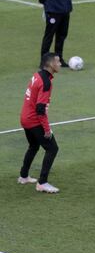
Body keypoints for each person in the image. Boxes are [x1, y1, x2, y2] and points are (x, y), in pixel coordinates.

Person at [18, 53, 62, 194]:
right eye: (58, 61)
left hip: (25, 118)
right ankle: (42, 183)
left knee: (33, 146)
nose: (60, 64)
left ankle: (23, 176)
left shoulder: (37, 75)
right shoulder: (46, 82)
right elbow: (40, 110)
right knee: (52, 148)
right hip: (34, 120)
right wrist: (47, 129)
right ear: (50, 65)